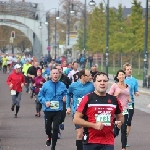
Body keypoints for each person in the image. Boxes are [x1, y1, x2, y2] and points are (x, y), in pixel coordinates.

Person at [73, 72, 124, 150]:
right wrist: (94, 125)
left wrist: (119, 122)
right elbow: (76, 119)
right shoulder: (87, 98)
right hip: (91, 141)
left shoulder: (114, 100)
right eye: (99, 81)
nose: (102, 83)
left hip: (108, 141)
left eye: (105, 81)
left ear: (108, 83)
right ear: (94, 83)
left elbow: (120, 117)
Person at [38, 68, 67, 150]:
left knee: (55, 128)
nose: (55, 75)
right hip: (48, 110)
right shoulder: (46, 85)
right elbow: (40, 96)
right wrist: (45, 102)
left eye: (57, 73)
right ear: (51, 75)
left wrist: (65, 97)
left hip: (58, 110)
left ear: (59, 75)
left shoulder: (62, 85)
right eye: (53, 73)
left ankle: (53, 147)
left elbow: (66, 93)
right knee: (47, 129)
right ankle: (49, 136)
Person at [66, 69, 94, 150]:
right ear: (82, 76)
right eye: (88, 76)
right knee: (79, 133)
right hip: (77, 112)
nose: (90, 77)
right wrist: (68, 107)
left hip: (89, 113)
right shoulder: (73, 85)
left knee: (89, 133)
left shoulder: (92, 86)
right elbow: (68, 95)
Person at [108, 70, 130, 150]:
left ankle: (123, 148)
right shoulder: (114, 86)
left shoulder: (127, 86)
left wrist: (129, 99)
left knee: (124, 129)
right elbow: (109, 98)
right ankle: (107, 142)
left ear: (124, 76)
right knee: (116, 130)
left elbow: (128, 96)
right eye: (120, 75)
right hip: (116, 111)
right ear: (117, 77)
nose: (121, 76)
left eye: (123, 74)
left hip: (124, 110)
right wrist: (116, 94)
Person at [123, 62, 140, 147]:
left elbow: (136, 90)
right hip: (122, 103)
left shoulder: (134, 80)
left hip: (130, 103)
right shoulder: (122, 79)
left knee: (128, 121)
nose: (129, 71)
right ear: (124, 71)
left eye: (130, 69)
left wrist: (136, 93)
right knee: (122, 121)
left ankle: (125, 139)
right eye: (128, 69)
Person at [55, 64, 71, 138]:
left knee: (63, 113)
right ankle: (57, 131)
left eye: (60, 69)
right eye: (57, 69)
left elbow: (70, 86)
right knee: (55, 115)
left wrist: (67, 93)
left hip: (63, 99)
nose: (58, 71)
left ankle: (61, 122)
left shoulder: (65, 77)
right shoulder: (52, 78)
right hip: (54, 100)